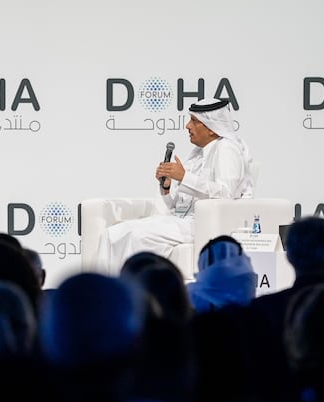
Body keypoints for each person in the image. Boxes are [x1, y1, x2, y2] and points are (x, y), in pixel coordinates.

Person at [95, 98, 257, 274]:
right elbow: (178, 205)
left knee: (135, 236)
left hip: (203, 224)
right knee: (112, 233)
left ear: (212, 128)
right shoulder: (197, 153)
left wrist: (185, 177)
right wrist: (166, 188)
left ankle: (130, 295)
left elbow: (226, 195)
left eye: (194, 121)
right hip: (180, 221)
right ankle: (99, 294)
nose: (188, 126)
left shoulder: (227, 149)